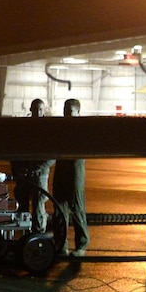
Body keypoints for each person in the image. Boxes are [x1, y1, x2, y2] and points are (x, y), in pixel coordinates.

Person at [52, 98, 89, 256]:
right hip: (62, 169)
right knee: (59, 210)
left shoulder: (81, 130)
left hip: (74, 170)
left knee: (77, 208)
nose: (66, 114)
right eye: (65, 111)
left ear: (78, 112)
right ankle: (62, 245)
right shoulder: (61, 128)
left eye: (70, 112)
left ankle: (81, 245)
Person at [9, 99, 54, 230]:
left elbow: (52, 154)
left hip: (39, 173)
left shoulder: (48, 130)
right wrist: (17, 169)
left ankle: (38, 233)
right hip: (25, 172)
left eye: (40, 110)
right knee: (22, 205)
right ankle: (24, 232)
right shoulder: (24, 128)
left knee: (39, 205)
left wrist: (39, 168)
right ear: (30, 110)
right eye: (35, 110)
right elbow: (15, 149)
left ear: (44, 110)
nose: (37, 113)